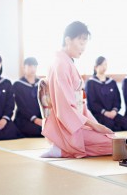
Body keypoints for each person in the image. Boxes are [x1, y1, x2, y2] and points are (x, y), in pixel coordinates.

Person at [40, 21, 113, 158]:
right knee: (115, 144)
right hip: (67, 127)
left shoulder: (66, 61)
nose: (83, 48)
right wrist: (95, 126)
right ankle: (62, 148)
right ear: (68, 40)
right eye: (81, 43)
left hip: (76, 122)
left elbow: (81, 104)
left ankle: (63, 148)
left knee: (110, 137)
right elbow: (65, 108)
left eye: (85, 43)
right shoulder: (60, 64)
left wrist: (95, 125)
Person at [85, 56, 127, 131]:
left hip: (113, 113)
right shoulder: (90, 83)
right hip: (99, 114)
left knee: (125, 123)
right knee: (109, 125)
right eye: (101, 65)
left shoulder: (112, 82)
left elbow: (117, 100)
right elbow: (92, 103)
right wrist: (105, 112)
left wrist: (114, 111)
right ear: (96, 67)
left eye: (105, 64)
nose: (104, 67)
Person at [13, 57, 43, 137]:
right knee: (40, 131)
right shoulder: (18, 85)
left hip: (40, 118)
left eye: (35, 66)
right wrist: (35, 120)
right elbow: (22, 106)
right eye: (29, 66)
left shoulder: (41, 84)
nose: (32, 69)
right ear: (24, 68)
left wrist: (43, 119)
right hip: (24, 119)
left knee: (50, 129)